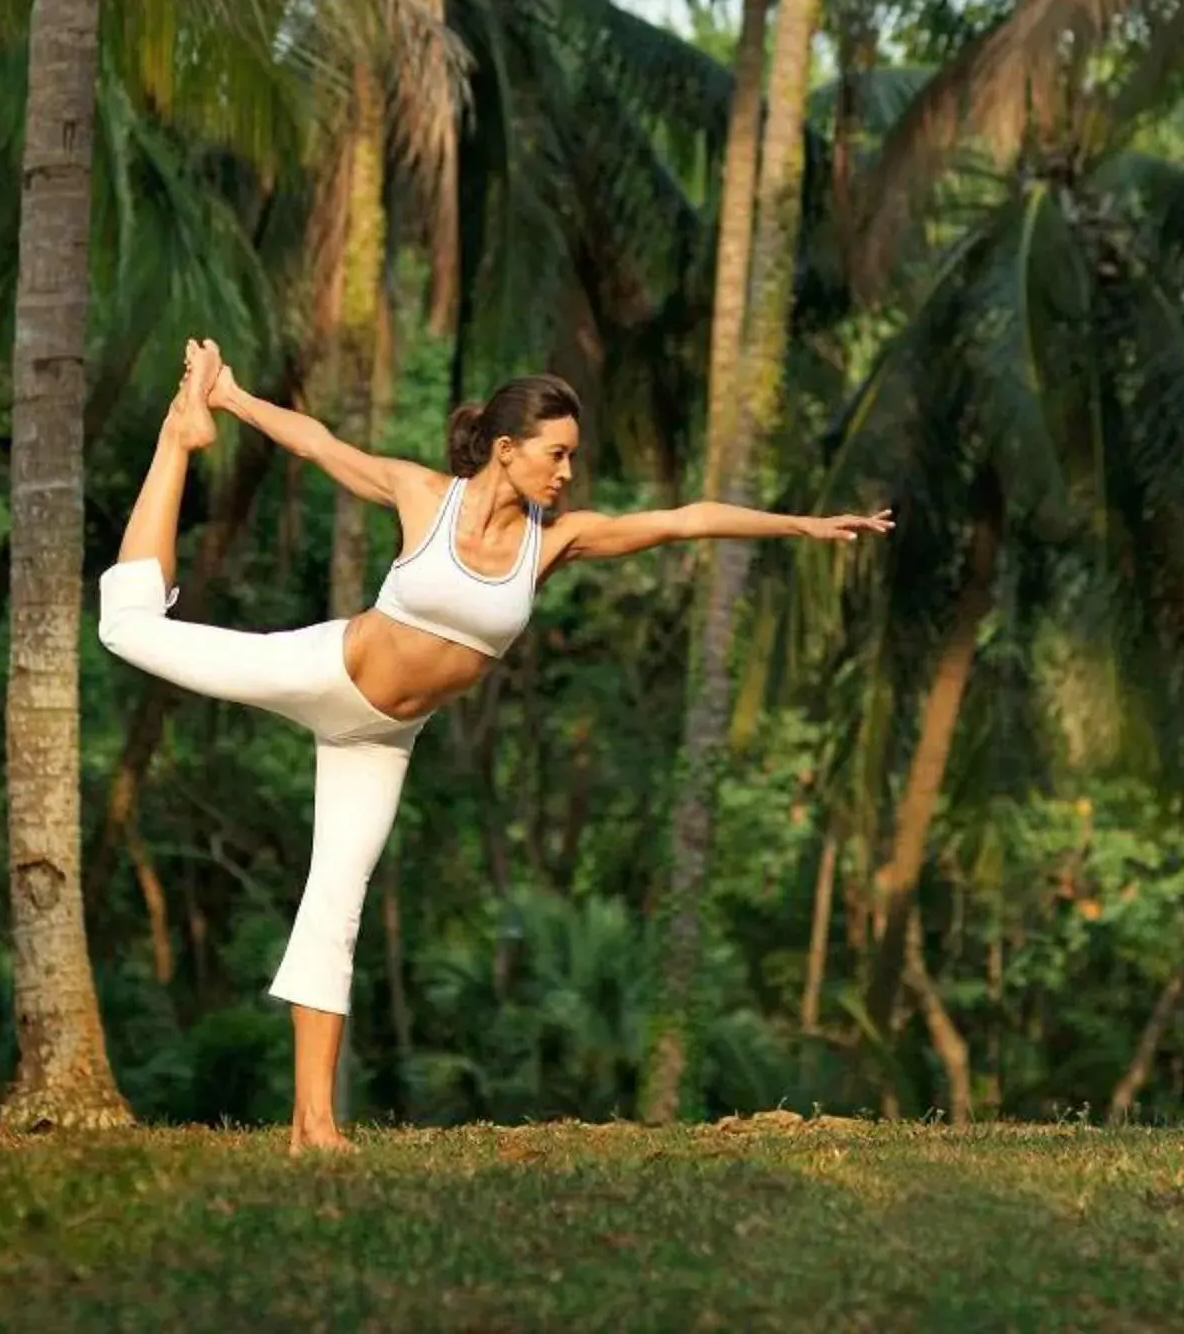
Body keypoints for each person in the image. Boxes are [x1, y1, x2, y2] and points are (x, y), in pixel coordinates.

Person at [96, 338, 892, 1152]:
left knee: (336, 905)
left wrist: (800, 524)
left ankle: (313, 1127)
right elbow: (321, 443)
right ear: (506, 451)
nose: (568, 474)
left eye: (573, 458)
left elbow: (681, 521)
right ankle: (176, 438)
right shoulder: (422, 496)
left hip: (381, 738)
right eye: (557, 454)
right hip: (323, 670)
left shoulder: (555, 543)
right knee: (126, 632)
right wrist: (229, 399)